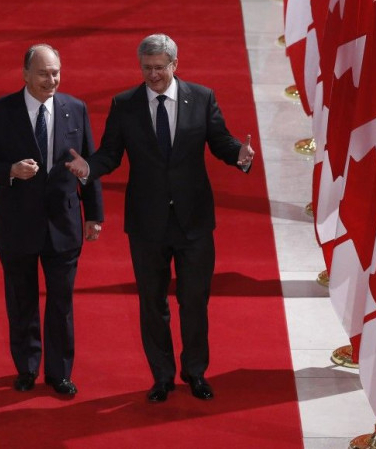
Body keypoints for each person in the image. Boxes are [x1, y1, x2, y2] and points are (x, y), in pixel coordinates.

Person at [66, 33, 254, 402]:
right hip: (147, 223)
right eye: (146, 68)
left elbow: (220, 141)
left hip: (194, 221)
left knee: (194, 300)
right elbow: (111, 153)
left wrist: (239, 155)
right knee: (152, 302)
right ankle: (163, 377)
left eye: (159, 67)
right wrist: (88, 167)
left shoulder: (201, 97)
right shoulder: (125, 105)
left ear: (174, 65)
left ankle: (195, 372)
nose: (152, 74)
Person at [0, 44, 104, 396]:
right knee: (21, 299)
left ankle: (59, 373)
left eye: (56, 72)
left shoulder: (75, 109)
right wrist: (9, 171)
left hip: (65, 225)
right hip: (16, 225)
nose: (51, 79)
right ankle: (27, 367)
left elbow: (89, 165)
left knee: (62, 300)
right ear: (25, 74)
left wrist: (95, 215)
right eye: (43, 73)